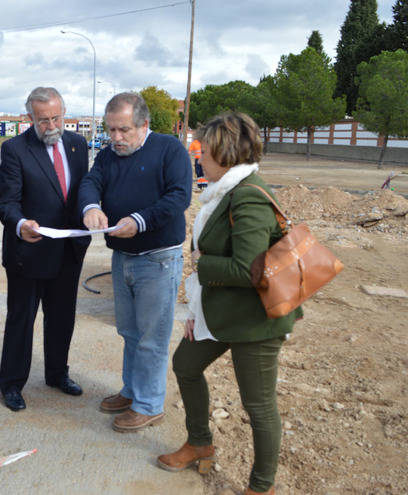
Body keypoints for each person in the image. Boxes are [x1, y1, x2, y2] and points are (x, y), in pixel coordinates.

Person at [157, 112, 302, 495]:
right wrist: (197, 310)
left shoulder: (248, 196)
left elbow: (247, 268)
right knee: (185, 366)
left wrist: (203, 263)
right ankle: (200, 443)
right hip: (222, 311)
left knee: (258, 406)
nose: (198, 158)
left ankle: (262, 486)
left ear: (224, 153)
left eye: (203, 151)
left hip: (255, 321)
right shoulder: (224, 192)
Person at [78, 92, 192, 432]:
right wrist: (91, 207)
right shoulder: (109, 156)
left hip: (157, 260)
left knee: (151, 337)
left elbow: (179, 196)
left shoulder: (170, 150)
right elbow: (90, 181)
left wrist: (140, 220)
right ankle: (131, 391)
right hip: (122, 257)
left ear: (144, 124)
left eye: (124, 130)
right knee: (129, 332)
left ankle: (149, 404)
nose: (115, 138)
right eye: (111, 130)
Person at [0, 87, 90, 411]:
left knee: (62, 318)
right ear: (29, 118)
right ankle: (11, 384)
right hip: (30, 252)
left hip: (69, 250)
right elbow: (6, 202)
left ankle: (57, 374)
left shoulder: (78, 145)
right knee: (21, 321)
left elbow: (83, 191)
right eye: (43, 120)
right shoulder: (14, 149)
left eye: (56, 118)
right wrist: (21, 224)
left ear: (63, 113)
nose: (51, 126)